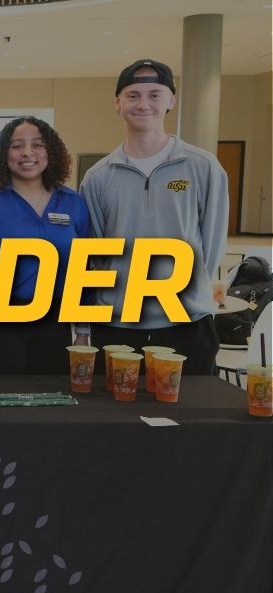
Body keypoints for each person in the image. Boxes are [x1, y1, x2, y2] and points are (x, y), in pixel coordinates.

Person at [81, 59, 229, 374]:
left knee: (192, 416)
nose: (143, 104)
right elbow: (94, 253)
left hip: (187, 322)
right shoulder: (97, 177)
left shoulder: (202, 167)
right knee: (116, 417)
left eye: (154, 94)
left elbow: (212, 245)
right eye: (133, 95)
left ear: (171, 101)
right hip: (118, 323)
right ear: (117, 103)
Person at [0, 117, 91, 374]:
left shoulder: (73, 202)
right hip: (0, 324)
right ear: (3, 154)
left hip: (54, 324)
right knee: (1, 405)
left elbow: (84, 271)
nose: (27, 153)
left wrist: (83, 331)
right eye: (17, 145)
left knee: (52, 404)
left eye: (37, 145)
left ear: (50, 152)